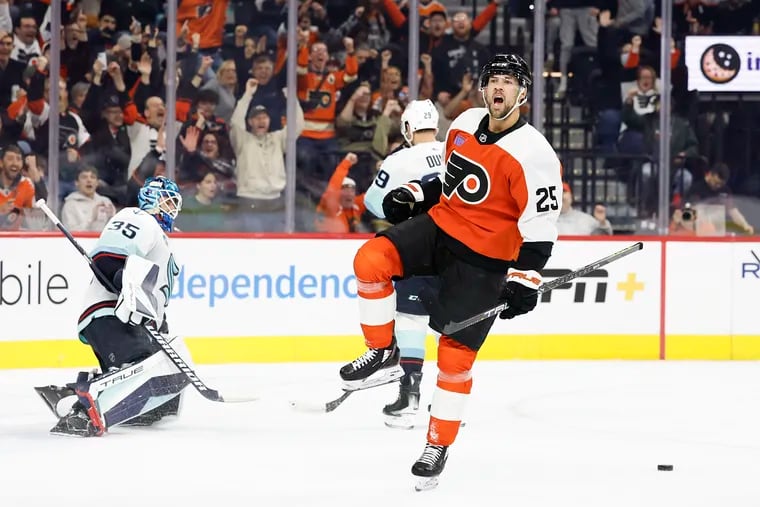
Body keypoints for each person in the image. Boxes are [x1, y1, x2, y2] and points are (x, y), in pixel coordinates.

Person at [337, 54, 562, 487]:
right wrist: (415, 192)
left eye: (508, 82)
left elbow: (540, 225)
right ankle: (383, 352)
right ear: (483, 88)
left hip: (486, 260)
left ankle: (436, 444)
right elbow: (450, 177)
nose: (499, 88)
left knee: (455, 361)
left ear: (523, 93)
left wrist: (525, 278)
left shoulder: (535, 154)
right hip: (441, 227)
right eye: (492, 80)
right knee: (370, 260)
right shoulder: (463, 122)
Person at [37, 176, 191, 437]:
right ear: (152, 200)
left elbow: (154, 295)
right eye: (167, 201)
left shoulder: (162, 237)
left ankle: (78, 394)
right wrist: (126, 286)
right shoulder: (139, 218)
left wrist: (157, 322)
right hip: (111, 315)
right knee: (153, 365)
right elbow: (107, 257)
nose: (171, 208)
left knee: (170, 379)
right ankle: (80, 411)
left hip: (127, 321)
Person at [362, 99, 445, 429]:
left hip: (419, 245)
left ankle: (409, 396)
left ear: (408, 129)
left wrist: (402, 206)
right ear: (436, 127)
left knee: (410, 318)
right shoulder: (457, 152)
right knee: (451, 326)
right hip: (461, 249)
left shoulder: (400, 158)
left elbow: (373, 203)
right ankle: (447, 406)